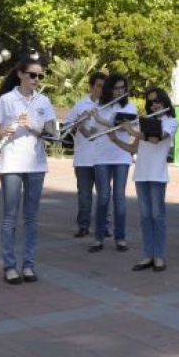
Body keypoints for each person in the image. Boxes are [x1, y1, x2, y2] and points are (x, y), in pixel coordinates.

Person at [0, 59, 57, 285]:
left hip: (36, 164)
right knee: (10, 217)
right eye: (32, 75)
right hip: (11, 163)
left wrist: (34, 127)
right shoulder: (6, 100)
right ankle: (9, 265)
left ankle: (28, 264)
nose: (36, 80)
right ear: (20, 74)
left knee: (32, 217)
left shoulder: (44, 100)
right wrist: (4, 130)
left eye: (39, 76)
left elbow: (52, 133)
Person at [113, 88, 178, 273]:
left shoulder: (171, 122)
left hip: (157, 175)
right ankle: (148, 255)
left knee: (158, 216)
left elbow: (156, 139)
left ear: (165, 102)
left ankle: (159, 256)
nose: (155, 104)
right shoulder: (142, 123)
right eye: (151, 102)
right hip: (141, 174)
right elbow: (133, 149)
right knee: (145, 217)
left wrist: (131, 130)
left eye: (158, 100)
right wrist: (114, 138)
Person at [85, 73, 137, 254]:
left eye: (123, 88)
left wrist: (100, 120)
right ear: (110, 89)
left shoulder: (129, 107)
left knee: (119, 198)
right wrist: (85, 122)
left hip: (121, 155)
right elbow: (91, 132)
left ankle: (120, 237)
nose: (120, 91)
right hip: (101, 156)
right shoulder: (99, 106)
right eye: (116, 88)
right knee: (103, 197)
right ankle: (98, 238)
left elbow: (122, 125)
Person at [64, 71, 107, 238]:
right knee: (84, 195)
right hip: (83, 158)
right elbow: (66, 126)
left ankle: (105, 226)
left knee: (104, 195)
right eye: (98, 86)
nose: (101, 90)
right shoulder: (80, 105)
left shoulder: (110, 105)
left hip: (103, 158)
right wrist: (79, 123)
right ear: (91, 87)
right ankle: (83, 226)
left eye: (104, 87)